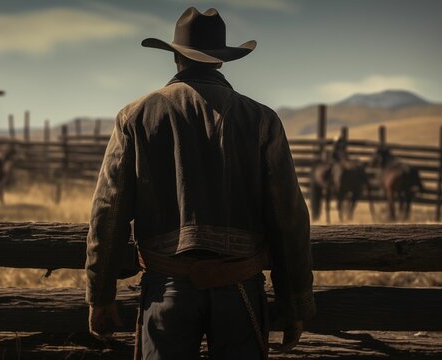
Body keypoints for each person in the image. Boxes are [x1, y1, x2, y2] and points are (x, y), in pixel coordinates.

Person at [86, 7, 315, 359]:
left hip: (166, 287)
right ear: (221, 61)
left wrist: (100, 295)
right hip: (239, 286)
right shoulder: (262, 119)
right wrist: (295, 302)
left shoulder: (135, 116)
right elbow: (289, 218)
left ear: (176, 57)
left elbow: (109, 210)